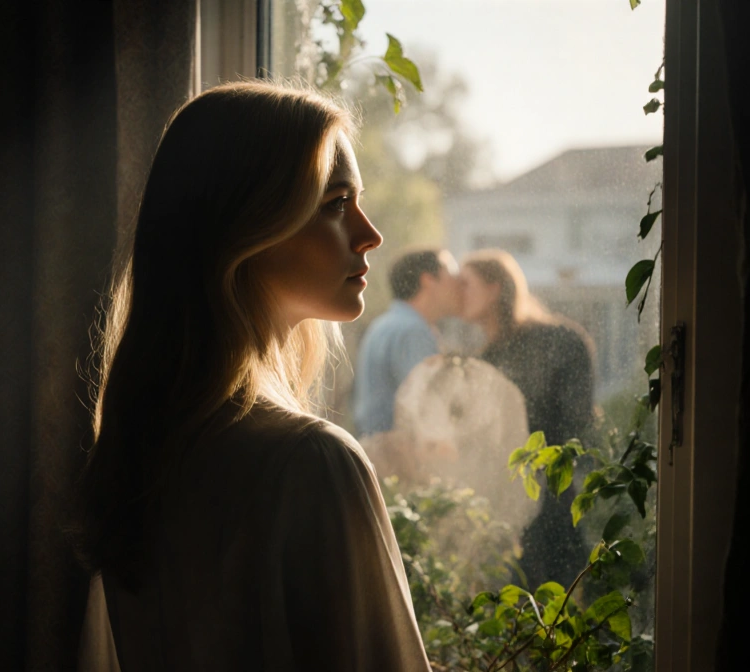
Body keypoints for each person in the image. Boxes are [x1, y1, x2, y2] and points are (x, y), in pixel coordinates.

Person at [72, 81, 432, 671]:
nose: (370, 235)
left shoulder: (141, 453)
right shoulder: (310, 462)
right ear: (246, 226)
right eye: (336, 203)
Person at [458, 248, 596, 590]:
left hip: (550, 495)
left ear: (493, 289)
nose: (458, 293)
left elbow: (575, 422)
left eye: (466, 284)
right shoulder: (485, 358)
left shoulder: (559, 340)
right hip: (505, 501)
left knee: (554, 599)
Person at [352, 249, 461, 437]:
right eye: (452, 276)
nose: (458, 286)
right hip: (399, 457)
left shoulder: (385, 324)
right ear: (428, 280)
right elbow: (429, 407)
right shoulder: (412, 331)